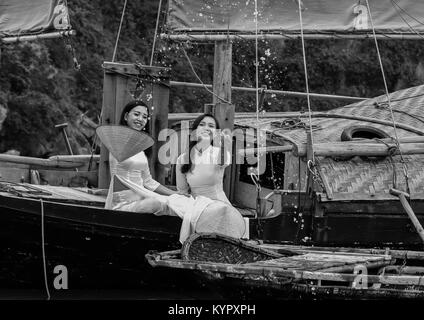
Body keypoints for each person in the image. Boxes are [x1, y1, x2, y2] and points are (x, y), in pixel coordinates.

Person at [106, 100, 179, 212]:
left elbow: (148, 181)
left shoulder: (140, 148)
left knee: (176, 202)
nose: (140, 119)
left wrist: (175, 194)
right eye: (136, 114)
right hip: (123, 202)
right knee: (157, 203)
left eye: (144, 117)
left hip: (141, 199)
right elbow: (118, 177)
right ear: (126, 116)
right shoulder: (116, 143)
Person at [176, 113, 232, 204]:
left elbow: (222, 162)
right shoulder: (182, 159)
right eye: (202, 125)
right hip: (195, 208)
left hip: (218, 206)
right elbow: (182, 192)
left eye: (211, 126)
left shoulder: (220, 153)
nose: (206, 128)